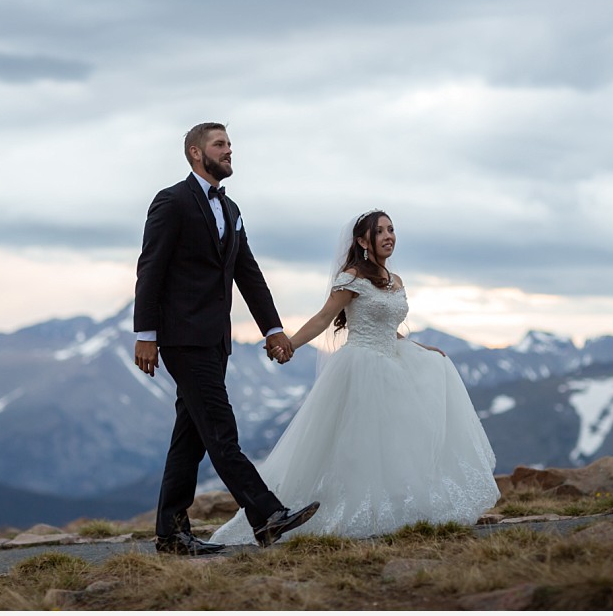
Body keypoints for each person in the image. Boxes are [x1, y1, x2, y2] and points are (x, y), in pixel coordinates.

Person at [210, 210, 499, 544]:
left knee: (400, 440)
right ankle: (326, 512)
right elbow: (323, 319)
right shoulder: (351, 278)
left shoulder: (395, 279)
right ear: (363, 241)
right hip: (362, 367)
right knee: (360, 445)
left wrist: (421, 347)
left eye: (392, 230)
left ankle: (400, 508)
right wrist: (289, 344)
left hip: (396, 361)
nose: (389, 236)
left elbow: (389, 327)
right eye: (380, 232)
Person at [133, 122, 319, 555]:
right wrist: (146, 335)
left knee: (191, 437)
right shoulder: (172, 201)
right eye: (220, 145)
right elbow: (151, 268)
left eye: (230, 144)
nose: (229, 151)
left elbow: (248, 274)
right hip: (181, 339)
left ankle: (171, 535)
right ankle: (267, 515)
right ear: (196, 153)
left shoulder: (231, 209)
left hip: (217, 341)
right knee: (220, 430)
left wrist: (273, 329)